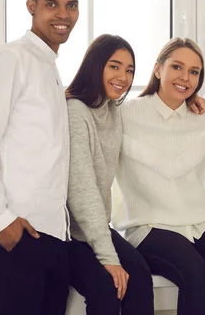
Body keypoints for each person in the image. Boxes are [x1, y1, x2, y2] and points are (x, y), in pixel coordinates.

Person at [0, 0, 80, 314]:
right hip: (18, 235)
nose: (63, 15)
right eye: (52, 4)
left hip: (52, 238)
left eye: (72, 5)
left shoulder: (50, 68)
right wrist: (2, 221)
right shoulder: (11, 58)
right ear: (32, 7)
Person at [113, 38, 205, 315]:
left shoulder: (203, 115)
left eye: (194, 72)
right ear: (157, 69)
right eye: (177, 67)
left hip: (199, 219)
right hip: (150, 224)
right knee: (195, 274)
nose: (185, 78)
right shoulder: (124, 113)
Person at [65, 34, 155, 315]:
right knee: (107, 287)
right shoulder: (75, 111)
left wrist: (193, 102)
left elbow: (150, 109)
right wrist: (108, 257)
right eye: (114, 66)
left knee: (139, 276)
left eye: (129, 70)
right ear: (96, 66)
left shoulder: (112, 109)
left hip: (95, 229)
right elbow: (81, 191)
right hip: (69, 234)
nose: (123, 77)